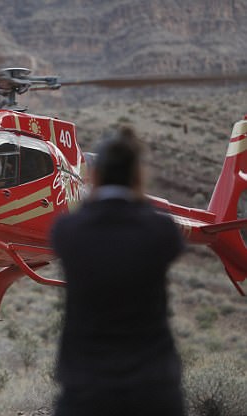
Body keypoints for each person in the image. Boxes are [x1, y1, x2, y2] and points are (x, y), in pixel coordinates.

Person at [50, 127, 185, 416]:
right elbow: (151, 219)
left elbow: (83, 211)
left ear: (94, 177)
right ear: (138, 178)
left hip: (86, 391)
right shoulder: (162, 231)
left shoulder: (67, 232)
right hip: (154, 390)